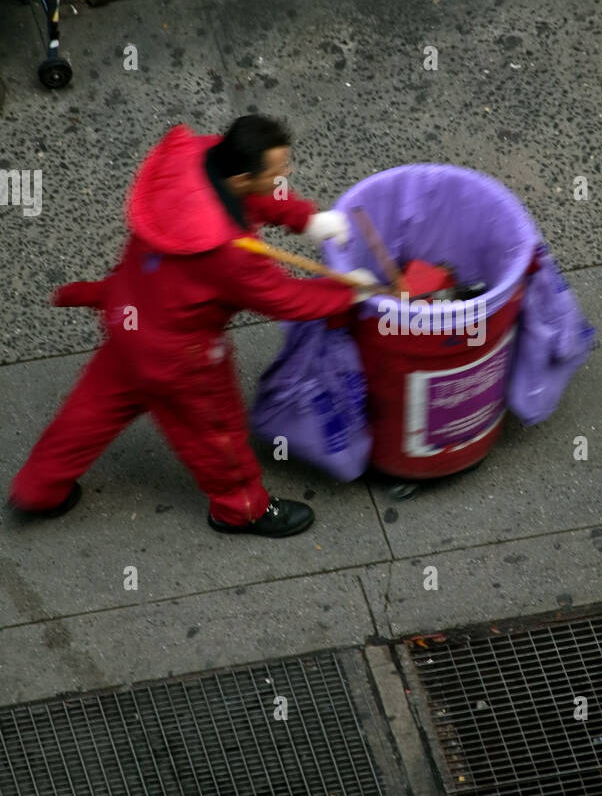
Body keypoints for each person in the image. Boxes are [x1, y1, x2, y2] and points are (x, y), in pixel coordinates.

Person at [7, 117, 377, 537]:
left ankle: (39, 489)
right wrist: (349, 294)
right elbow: (284, 298)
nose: (284, 175)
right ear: (242, 176)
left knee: (92, 409)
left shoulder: (199, 155)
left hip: (132, 312)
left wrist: (304, 219)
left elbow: (255, 197)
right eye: (278, 170)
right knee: (216, 434)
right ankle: (241, 510)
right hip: (180, 357)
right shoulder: (228, 254)